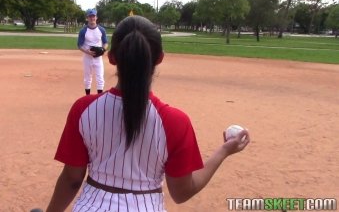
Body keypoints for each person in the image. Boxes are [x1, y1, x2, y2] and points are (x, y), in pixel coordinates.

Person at [46, 15, 250, 212]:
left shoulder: (83, 109)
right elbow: (182, 192)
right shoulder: (176, 121)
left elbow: (72, 180)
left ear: (112, 58)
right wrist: (224, 151)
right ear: (159, 58)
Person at [77, 8, 108, 95]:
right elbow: (79, 45)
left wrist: (103, 49)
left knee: (100, 78)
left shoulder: (101, 30)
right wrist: (88, 52)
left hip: (98, 58)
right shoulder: (83, 31)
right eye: (90, 16)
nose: (92, 18)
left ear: (96, 17)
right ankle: (87, 97)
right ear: (87, 18)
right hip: (87, 58)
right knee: (87, 78)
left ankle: (99, 98)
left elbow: (106, 43)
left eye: (93, 16)